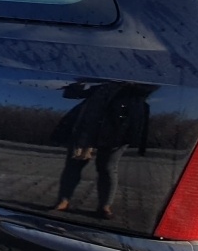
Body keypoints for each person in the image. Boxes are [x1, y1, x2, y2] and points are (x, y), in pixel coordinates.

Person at [50, 80, 151, 220]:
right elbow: (74, 92)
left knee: (107, 166)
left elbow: (149, 88)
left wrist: (131, 85)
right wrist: (79, 85)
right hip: (89, 121)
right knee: (74, 162)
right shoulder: (99, 78)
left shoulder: (141, 74)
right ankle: (63, 200)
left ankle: (105, 206)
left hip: (121, 123)